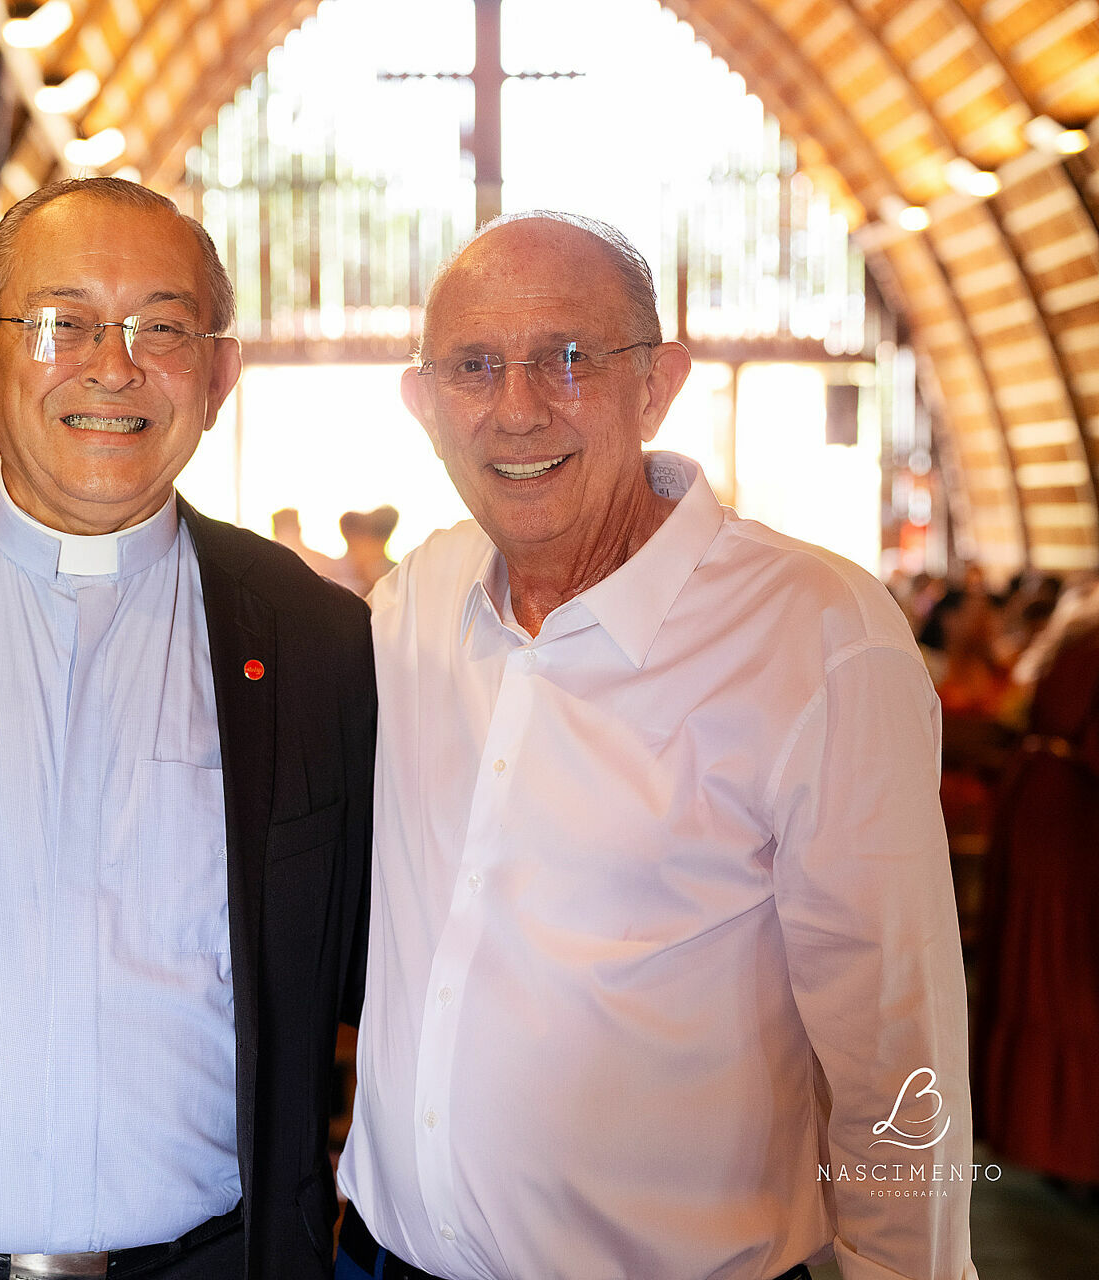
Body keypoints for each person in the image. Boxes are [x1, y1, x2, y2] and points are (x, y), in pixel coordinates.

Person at [335, 211, 974, 1280]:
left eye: (571, 358)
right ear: (424, 401)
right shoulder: (413, 603)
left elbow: (895, 1050)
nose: (519, 408)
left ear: (659, 382)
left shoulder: (814, 634)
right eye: (475, 366)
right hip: (381, 1260)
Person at [0, 177, 375, 1280]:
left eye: (163, 327)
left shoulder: (319, 644)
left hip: (217, 1263)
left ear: (220, 372)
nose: (114, 366)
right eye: (64, 322)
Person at [975, 578, 1099, 1194]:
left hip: (1045, 809)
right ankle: (1068, 1142)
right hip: (1071, 824)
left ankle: (1049, 1137)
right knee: (1064, 980)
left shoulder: (1080, 633)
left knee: (1044, 972)